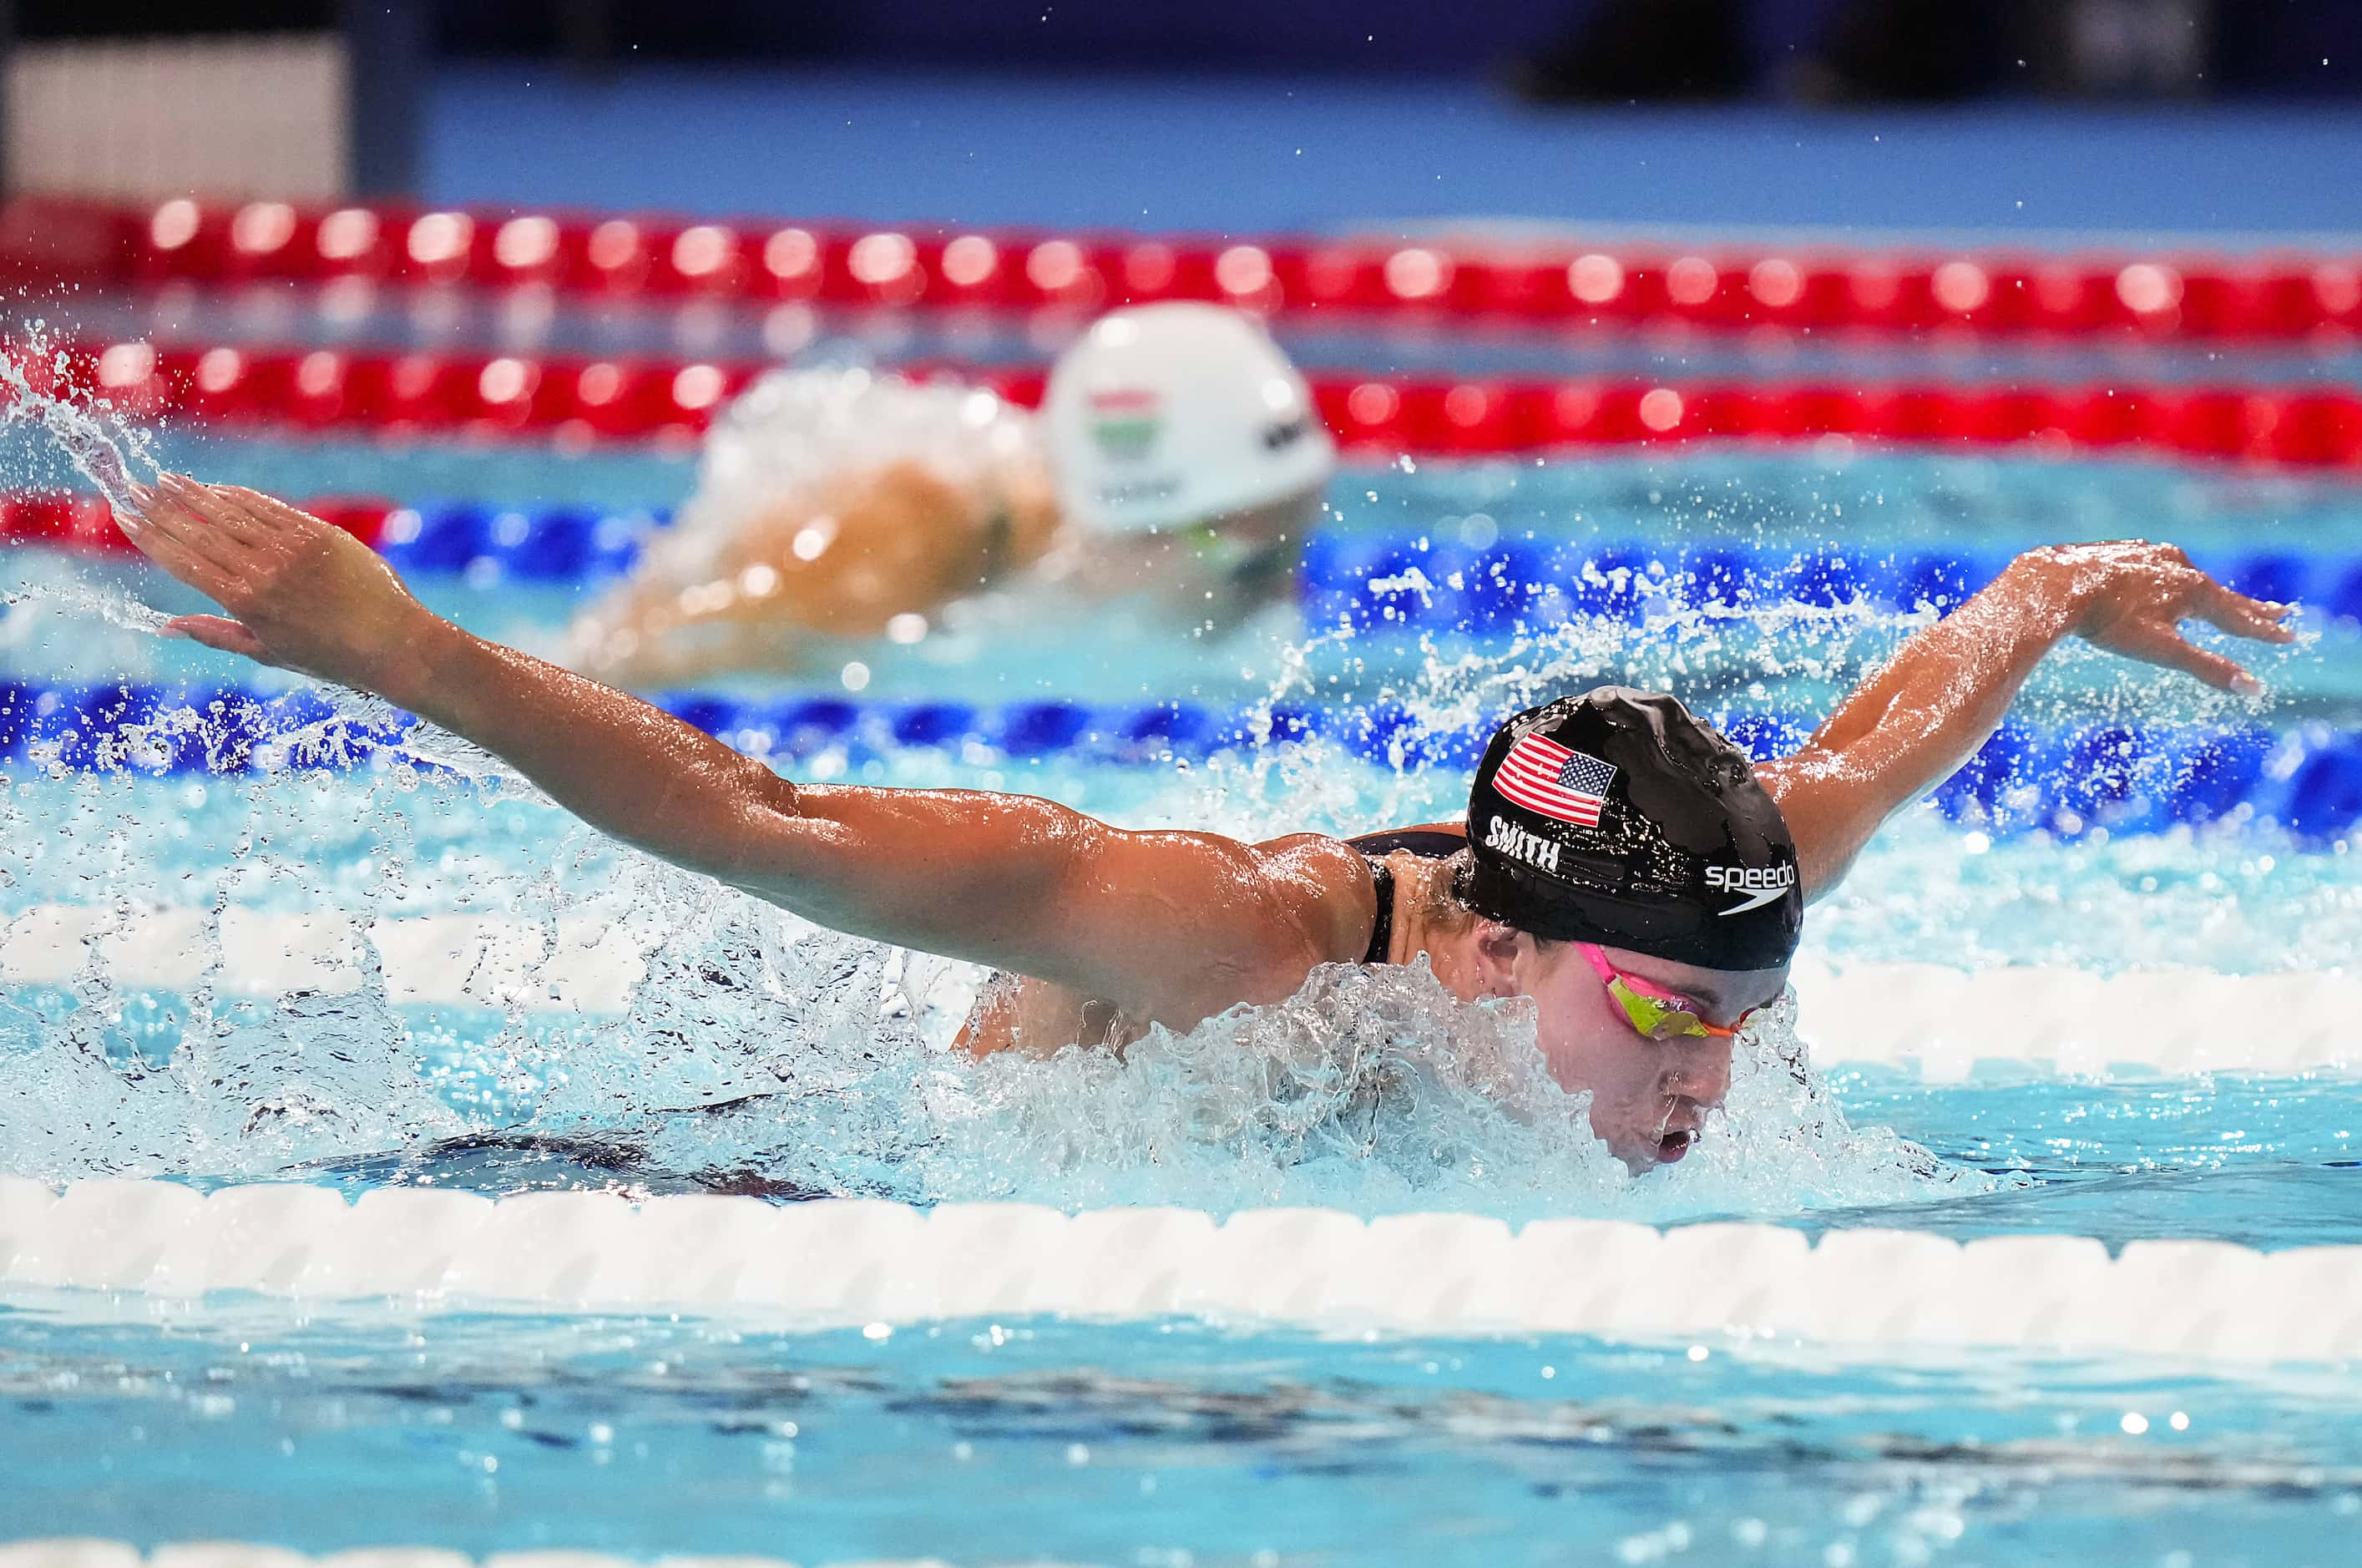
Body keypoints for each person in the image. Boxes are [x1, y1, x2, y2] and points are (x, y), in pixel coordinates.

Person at [117, 476, 2291, 1171]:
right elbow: (755, 813)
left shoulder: (1701, 894)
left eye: (1731, 1016)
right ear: (1501, 946)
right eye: (1668, 1018)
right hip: (869, 1168)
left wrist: (2045, 587)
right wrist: (410, 651)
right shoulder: (1212, 936)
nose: (1712, 1075)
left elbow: (1866, 750)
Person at [564, 301, 1337, 686]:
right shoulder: (908, 533)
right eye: (1250, 557)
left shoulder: (1102, 540)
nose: (1281, 588)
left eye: (1297, 538)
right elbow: (632, 659)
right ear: (1132, 514)